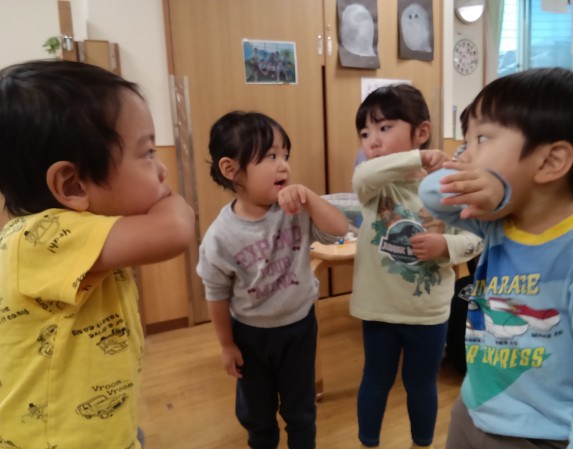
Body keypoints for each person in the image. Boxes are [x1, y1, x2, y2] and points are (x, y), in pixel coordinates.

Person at [0, 60, 195, 449]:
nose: (161, 171)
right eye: (148, 153)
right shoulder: (40, 237)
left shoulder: (79, 234)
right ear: (72, 185)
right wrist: (171, 198)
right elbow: (175, 230)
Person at [419, 67, 573, 449]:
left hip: (539, 435)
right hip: (472, 409)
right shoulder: (499, 222)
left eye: (481, 138)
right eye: (465, 142)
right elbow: (432, 193)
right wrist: (498, 192)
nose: (464, 156)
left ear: (550, 162)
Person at [196, 111, 348, 449]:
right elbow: (216, 294)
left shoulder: (296, 210)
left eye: (285, 155)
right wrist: (226, 345)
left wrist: (308, 196)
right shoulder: (220, 236)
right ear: (230, 169)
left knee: (301, 412)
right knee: (258, 416)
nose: (283, 166)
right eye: (270, 156)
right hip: (250, 336)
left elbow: (338, 229)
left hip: (299, 327)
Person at [350, 84, 481, 449]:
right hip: (379, 309)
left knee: (421, 384)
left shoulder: (447, 187)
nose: (373, 141)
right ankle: (367, 443)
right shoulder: (375, 188)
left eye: (384, 127)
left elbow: (475, 239)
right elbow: (362, 176)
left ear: (421, 132)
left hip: (428, 313)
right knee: (375, 380)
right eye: (365, 134)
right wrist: (416, 158)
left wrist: (445, 245)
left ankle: (422, 443)